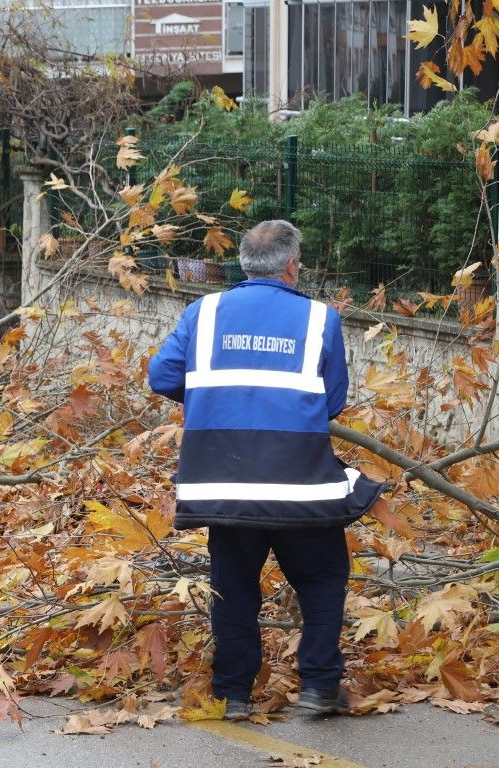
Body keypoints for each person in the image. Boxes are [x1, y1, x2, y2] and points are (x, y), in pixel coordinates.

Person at [147, 221, 385, 720]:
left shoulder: (204, 311)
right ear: (292, 265)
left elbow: (162, 375)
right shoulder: (320, 319)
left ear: (243, 263)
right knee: (322, 579)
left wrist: (217, 398)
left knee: (233, 589)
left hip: (223, 483)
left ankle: (233, 693)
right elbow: (332, 400)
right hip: (299, 484)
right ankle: (319, 685)